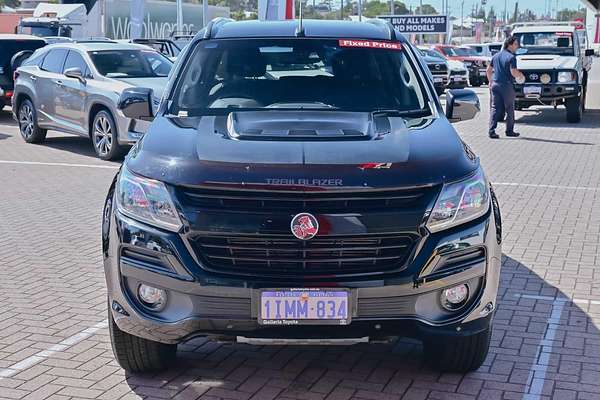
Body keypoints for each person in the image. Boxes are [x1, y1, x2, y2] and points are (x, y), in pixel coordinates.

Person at [486, 36, 525, 139]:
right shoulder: (512, 57)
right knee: (509, 108)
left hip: (495, 85)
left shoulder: (496, 56)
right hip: (506, 86)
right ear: (510, 44)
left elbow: (488, 70)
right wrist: (520, 75)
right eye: (516, 44)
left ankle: (491, 130)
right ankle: (509, 131)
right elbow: (513, 72)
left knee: (494, 108)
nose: (517, 46)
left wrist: (490, 82)